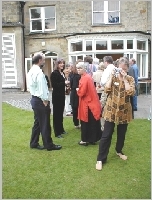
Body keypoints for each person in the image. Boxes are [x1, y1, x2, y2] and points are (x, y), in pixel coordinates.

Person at [96, 57, 135, 170]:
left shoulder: (130, 79)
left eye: (124, 69)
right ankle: (100, 158)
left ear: (127, 69)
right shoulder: (112, 77)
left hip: (124, 110)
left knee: (122, 133)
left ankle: (119, 150)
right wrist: (111, 76)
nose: (121, 71)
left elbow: (131, 92)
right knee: (106, 134)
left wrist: (124, 79)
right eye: (119, 68)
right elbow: (107, 89)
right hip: (111, 109)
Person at [27, 53, 62, 151]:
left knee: (38, 123)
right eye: (43, 60)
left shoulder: (30, 71)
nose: (44, 62)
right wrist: (45, 100)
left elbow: (31, 87)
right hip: (40, 100)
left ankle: (34, 143)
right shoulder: (39, 73)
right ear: (39, 61)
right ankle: (49, 145)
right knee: (45, 124)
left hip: (34, 99)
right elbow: (42, 88)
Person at [76, 62, 102, 146]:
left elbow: (82, 92)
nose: (78, 70)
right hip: (92, 102)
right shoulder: (88, 77)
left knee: (85, 122)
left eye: (80, 68)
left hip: (87, 103)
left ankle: (85, 140)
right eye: (77, 68)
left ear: (84, 69)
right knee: (92, 122)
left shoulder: (85, 78)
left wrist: (77, 90)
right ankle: (93, 139)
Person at [50, 58, 68, 138]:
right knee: (57, 114)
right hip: (56, 96)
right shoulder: (54, 73)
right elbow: (55, 85)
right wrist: (64, 83)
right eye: (60, 63)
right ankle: (57, 132)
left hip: (62, 95)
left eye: (63, 63)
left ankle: (61, 129)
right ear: (57, 64)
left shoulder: (62, 73)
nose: (62, 65)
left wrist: (66, 85)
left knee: (61, 113)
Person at [70, 63, 81, 128]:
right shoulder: (78, 76)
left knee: (75, 109)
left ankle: (76, 123)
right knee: (77, 109)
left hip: (73, 92)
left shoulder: (71, 74)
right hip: (76, 92)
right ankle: (77, 123)